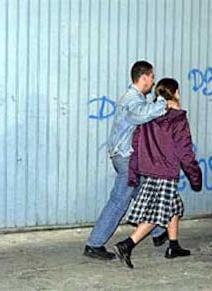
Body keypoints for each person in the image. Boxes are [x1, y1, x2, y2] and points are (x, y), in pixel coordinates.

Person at [84, 61, 180, 260]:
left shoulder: (137, 98)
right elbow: (142, 115)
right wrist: (163, 101)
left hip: (129, 157)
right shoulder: (132, 99)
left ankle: (157, 232)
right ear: (144, 77)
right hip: (126, 159)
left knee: (144, 191)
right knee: (119, 200)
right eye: (152, 77)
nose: (153, 82)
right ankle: (94, 244)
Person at [113, 77, 203, 269]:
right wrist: (195, 176)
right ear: (176, 92)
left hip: (151, 171)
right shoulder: (177, 118)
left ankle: (173, 245)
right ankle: (126, 245)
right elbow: (185, 151)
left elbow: (136, 143)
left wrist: (134, 170)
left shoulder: (150, 115)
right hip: (166, 172)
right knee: (157, 215)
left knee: (174, 207)